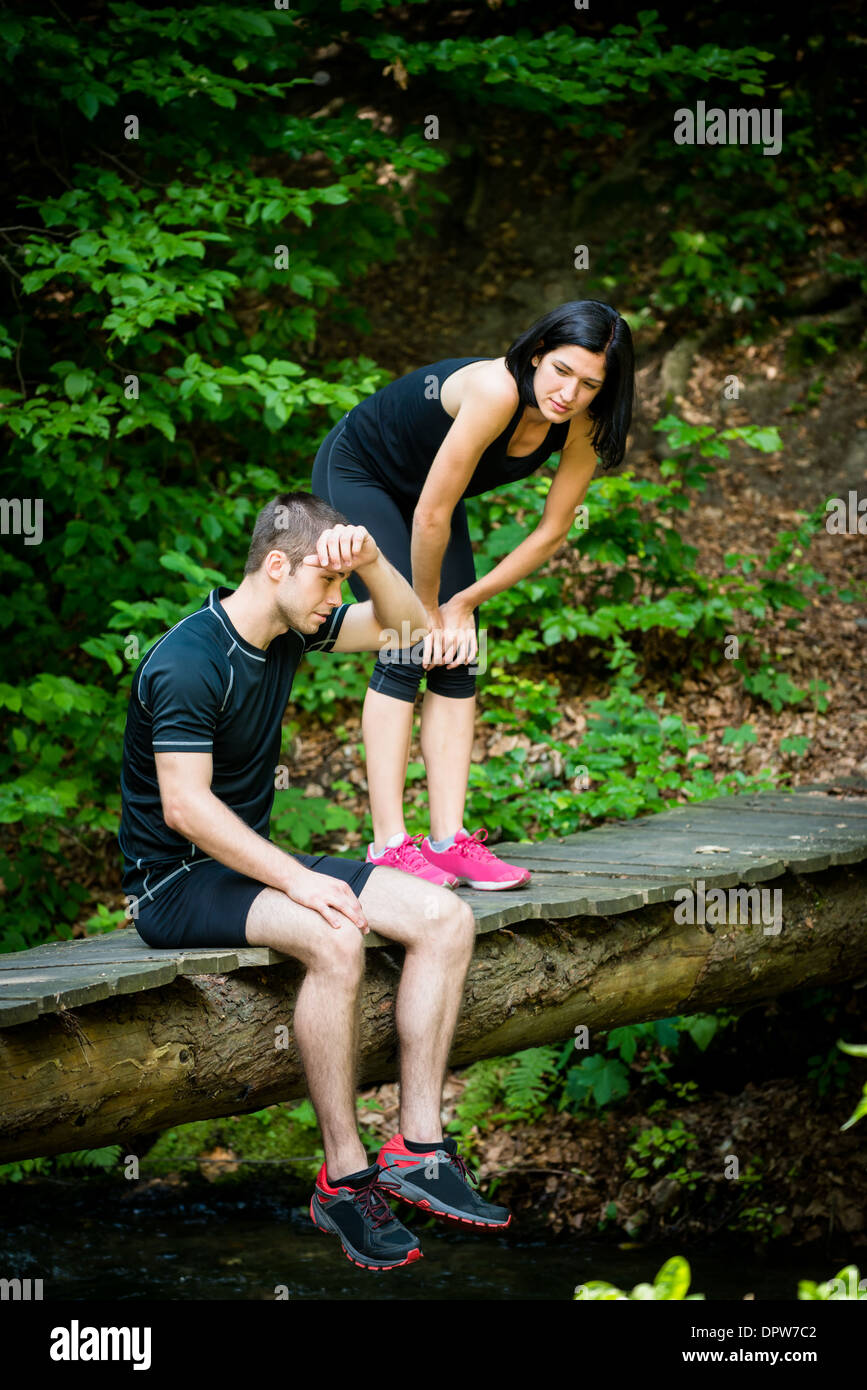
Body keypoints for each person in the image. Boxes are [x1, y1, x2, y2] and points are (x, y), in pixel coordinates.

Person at [118, 494, 511, 1271]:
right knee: (335, 936)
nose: (336, 603)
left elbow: (406, 630)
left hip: (246, 863)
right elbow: (186, 810)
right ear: (275, 567)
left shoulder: (293, 624)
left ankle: (419, 1150)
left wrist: (368, 562)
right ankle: (342, 1174)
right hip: (175, 884)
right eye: (327, 585)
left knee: (443, 919)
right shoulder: (188, 660)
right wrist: (298, 880)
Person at [312, 300, 635, 892]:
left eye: (590, 384)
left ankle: (449, 840)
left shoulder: (583, 424)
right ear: (537, 354)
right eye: (561, 370)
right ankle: (387, 846)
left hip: (432, 499)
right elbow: (431, 513)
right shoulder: (495, 391)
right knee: (409, 641)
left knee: (460, 651)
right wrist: (428, 611)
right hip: (363, 473)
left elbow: (551, 530)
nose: (569, 393)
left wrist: (461, 607)